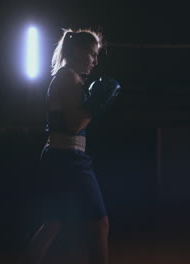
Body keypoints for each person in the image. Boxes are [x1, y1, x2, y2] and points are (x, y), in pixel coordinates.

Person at [21, 29, 114, 264]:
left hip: (57, 156)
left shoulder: (63, 77)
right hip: (70, 159)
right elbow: (74, 125)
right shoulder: (69, 77)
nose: (94, 61)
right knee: (99, 224)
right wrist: (97, 103)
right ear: (77, 51)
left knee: (52, 224)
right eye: (92, 54)